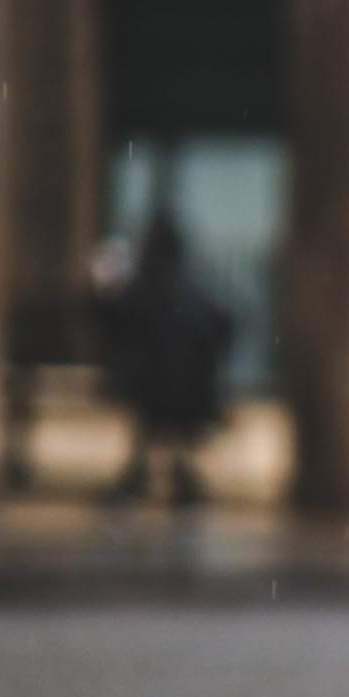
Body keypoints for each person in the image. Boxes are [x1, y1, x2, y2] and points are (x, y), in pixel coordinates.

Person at [94, 211, 233, 508]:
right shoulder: (191, 286)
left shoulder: (147, 284)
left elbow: (116, 319)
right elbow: (223, 324)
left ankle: (144, 478)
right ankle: (180, 480)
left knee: (149, 430)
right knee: (170, 434)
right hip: (186, 389)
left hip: (154, 388)